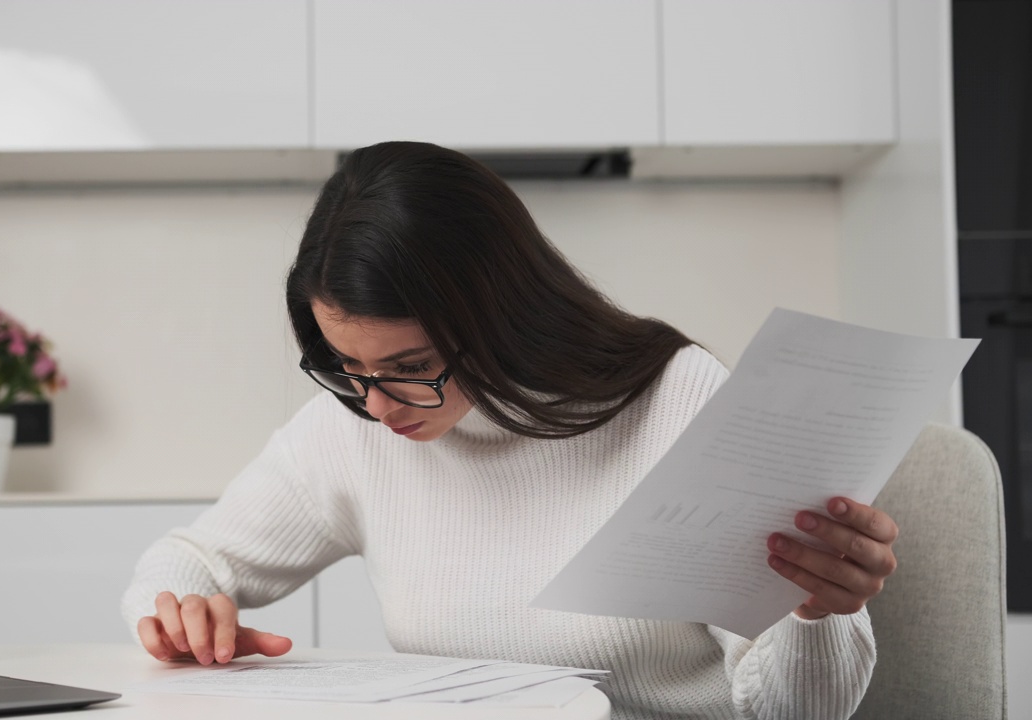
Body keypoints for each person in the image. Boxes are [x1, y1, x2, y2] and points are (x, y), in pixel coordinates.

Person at [121, 141, 898, 720]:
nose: (379, 405)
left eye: (409, 365)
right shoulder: (355, 422)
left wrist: (818, 611)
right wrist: (183, 612)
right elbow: (188, 557)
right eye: (346, 367)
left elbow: (794, 713)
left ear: (496, 312)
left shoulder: (676, 402)